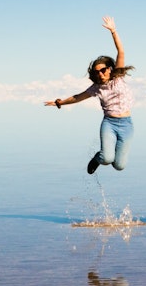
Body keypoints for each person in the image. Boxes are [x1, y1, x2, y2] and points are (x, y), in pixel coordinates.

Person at [45, 16, 135, 174]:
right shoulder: (96, 88)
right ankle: (97, 158)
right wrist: (59, 102)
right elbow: (78, 97)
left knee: (119, 165)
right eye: (97, 72)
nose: (100, 74)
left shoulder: (118, 77)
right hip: (109, 124)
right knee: (106, 158)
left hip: (127, 124)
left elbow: (121, 51)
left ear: (110, 69)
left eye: (103, 70)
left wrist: (113, 31)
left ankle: (105, 158)